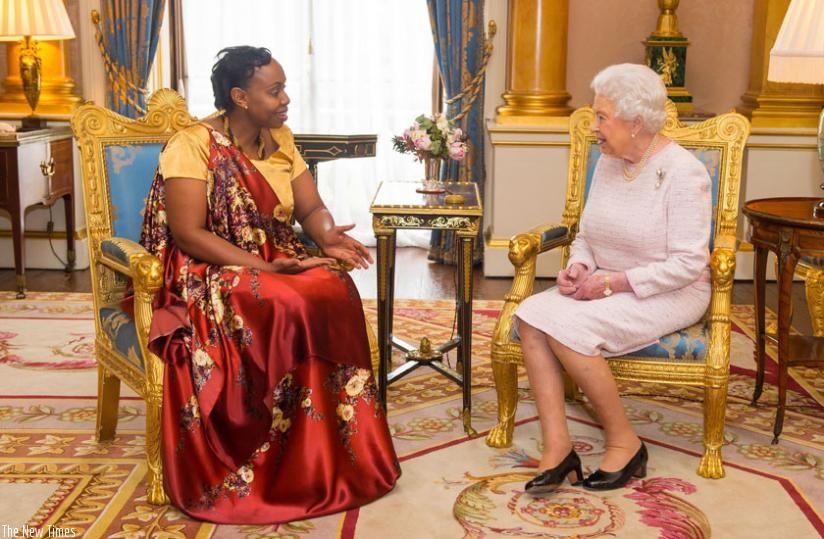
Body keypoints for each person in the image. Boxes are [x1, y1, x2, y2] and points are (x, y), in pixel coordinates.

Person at [140, 45, 400, 523]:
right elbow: (188, 233)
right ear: (240, 97)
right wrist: (264, 269)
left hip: (273, 256)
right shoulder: (191, 144)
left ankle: (325, 444)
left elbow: (310, 207)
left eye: (284, 89)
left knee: (334, 287)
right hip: (208, 266)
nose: (285, 99)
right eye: (274, 91)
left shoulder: (280, 138)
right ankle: (265, 443)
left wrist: (327, 236)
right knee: (287, 299)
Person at [514, 63, 711, 494]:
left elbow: (688, 263)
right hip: (605, 280)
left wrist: (612, 283)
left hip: (672, 290)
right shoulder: (608, 162)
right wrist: (581, 266)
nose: (594, 127)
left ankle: (625, 442)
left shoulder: (683, 172)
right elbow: (588, 235)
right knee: (529, 315)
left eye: (602, 117)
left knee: (567, 329)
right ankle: (558, 449)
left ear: (636, 122)